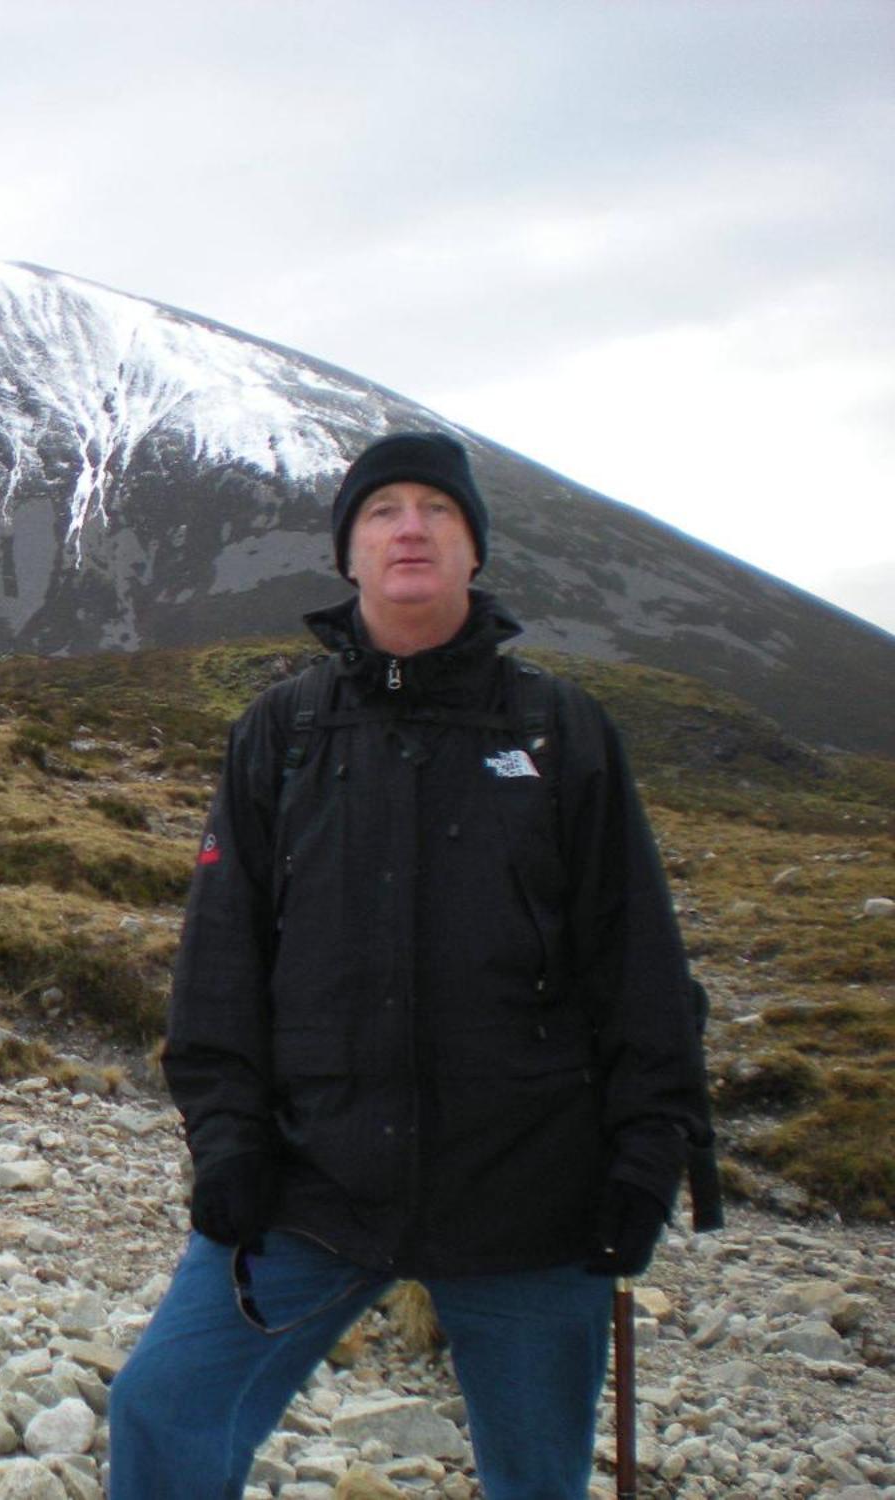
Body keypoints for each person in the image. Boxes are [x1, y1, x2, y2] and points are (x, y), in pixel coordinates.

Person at [107, 431, 717, 1499]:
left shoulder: (560, 731)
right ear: (348, 555)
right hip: (308, 1180)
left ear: (471, 550)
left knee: (535, 1481)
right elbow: (219, 962)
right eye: (381, 509)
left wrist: (648, 1148)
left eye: (436, 510)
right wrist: (226, 1141)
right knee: (161, 1411)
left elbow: (636, 960)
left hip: (528, 1195)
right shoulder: (282, 731)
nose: (408, 527)